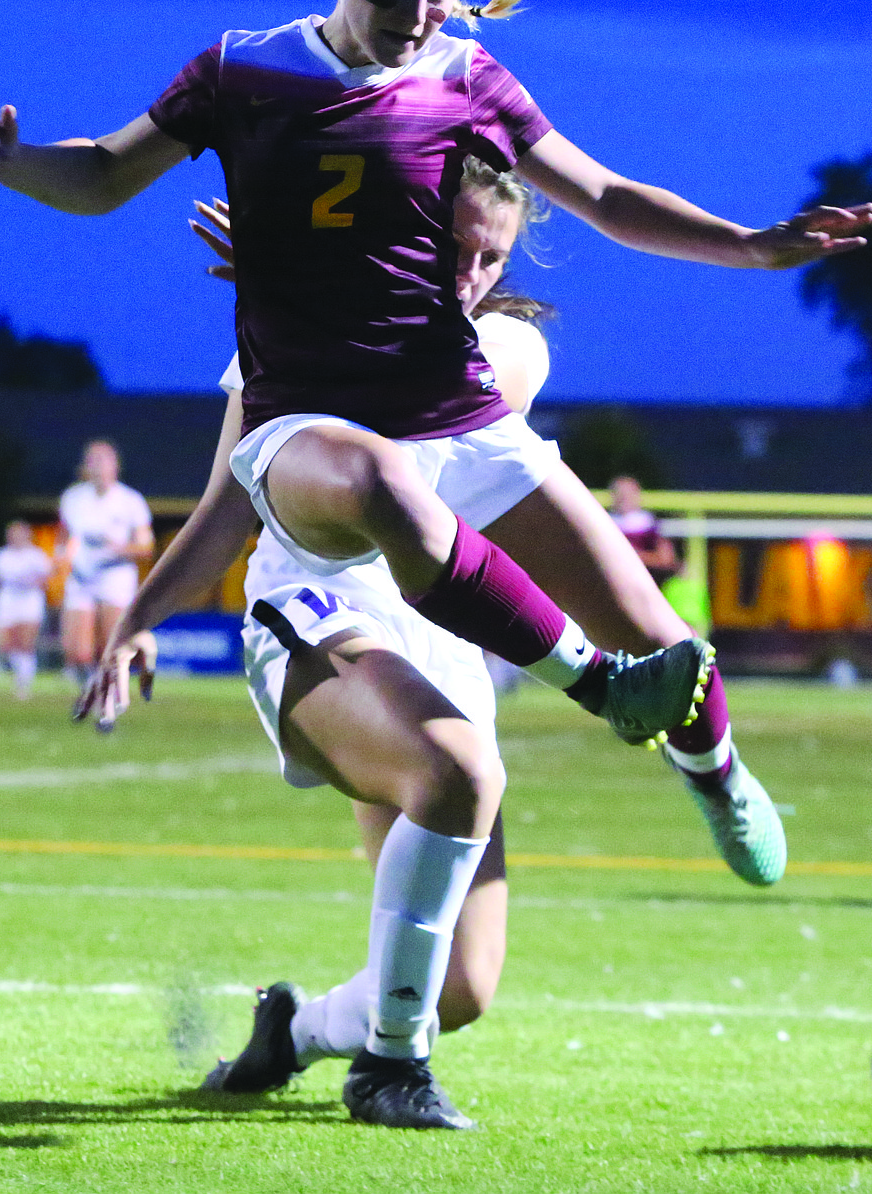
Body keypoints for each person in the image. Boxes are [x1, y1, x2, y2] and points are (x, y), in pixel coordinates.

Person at [0, 0, 870, 1110]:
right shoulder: (245, 70)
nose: (418, 17)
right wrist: (13, 166)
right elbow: (107, 171)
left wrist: (752, 253)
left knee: (668, 644)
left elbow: (601, 195)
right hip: (302, 440)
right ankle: (597, 694)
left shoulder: (466, 78)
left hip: (461, 429)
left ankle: (710, 767)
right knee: (386, 488)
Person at [84, 163, 554, 1128]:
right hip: (313, 614)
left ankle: (292, 1031)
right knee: (457, 768)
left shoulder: (510, 342)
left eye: (489, 256)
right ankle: (389, 1074)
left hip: (439, 641)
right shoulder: (280, 339)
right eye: (450, 244)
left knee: (456, 987)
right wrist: (137, 619)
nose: (467, 271)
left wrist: (304, 292)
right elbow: (227, 507)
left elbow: (434, 375)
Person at [58, 440, 155, 693]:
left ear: (115, 466)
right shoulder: (73, 498)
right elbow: (64, 537)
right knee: (77, 652)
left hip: (115, 576)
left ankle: (107, 696)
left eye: (104, 460)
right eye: (93, 460)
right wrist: (62, 559)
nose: (98, 466)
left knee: (110, 647)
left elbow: (146, 547)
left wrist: (117, 547)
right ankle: (90, 688)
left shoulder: (130, 500)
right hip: (82, 577)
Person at [0, 520, 54, 698]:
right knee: (6, 644)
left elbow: (46, 580)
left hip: (29, 602)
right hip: (8, 601)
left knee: (25, 643)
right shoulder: (2, 555)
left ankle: (24, 684)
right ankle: (19, 674)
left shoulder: (36, 555)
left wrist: (30, 582)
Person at [608, 475, 678, 587]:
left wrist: (633, 556)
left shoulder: (650, 525)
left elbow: (666, 559)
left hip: (647, 582)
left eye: (629, 494)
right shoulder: (606, 524)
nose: (625, 498)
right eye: (620, 494)